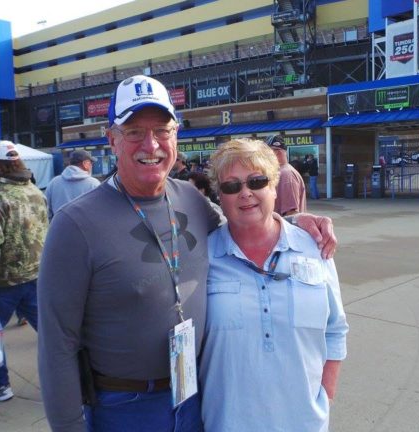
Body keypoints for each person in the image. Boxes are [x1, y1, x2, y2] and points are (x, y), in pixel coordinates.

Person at [37, 74, 336, 432]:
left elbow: (244, 220)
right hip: (126, 408)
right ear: (112, 139)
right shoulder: (74, 225)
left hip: (195, 397)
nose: (151, 145)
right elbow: (56, 347)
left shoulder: (191, 200)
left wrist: (296, 221)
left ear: (175, 135)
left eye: (162, 130)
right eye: (134, 132)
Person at [200, 139, 348, 431]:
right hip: (227, 423)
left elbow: (335, 329)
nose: (245, 193)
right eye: (231, 186)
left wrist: (324, 397)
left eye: (257, 181)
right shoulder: (202, 258)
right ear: (220, 196)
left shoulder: (314, 246)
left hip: (304, 424)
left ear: (274, 185)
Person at [0, 140, 48, 402]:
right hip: (36, 277)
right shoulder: (36, 191)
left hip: (2, 283)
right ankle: (77, 382)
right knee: (53, 333)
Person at [44, 149, 101, 218]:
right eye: (90, 163)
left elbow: (46, 210)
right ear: (85, 164)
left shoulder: (53, 183)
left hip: (59, 227)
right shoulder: (93, 184)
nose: (91, 166)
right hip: (86, 227)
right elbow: (100, 211)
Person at [266, 135, 306, 215]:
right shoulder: (282, 172)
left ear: (277, 152)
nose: (264, 156)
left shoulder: (286, 175)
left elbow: (292, 214)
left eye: (266, 152)